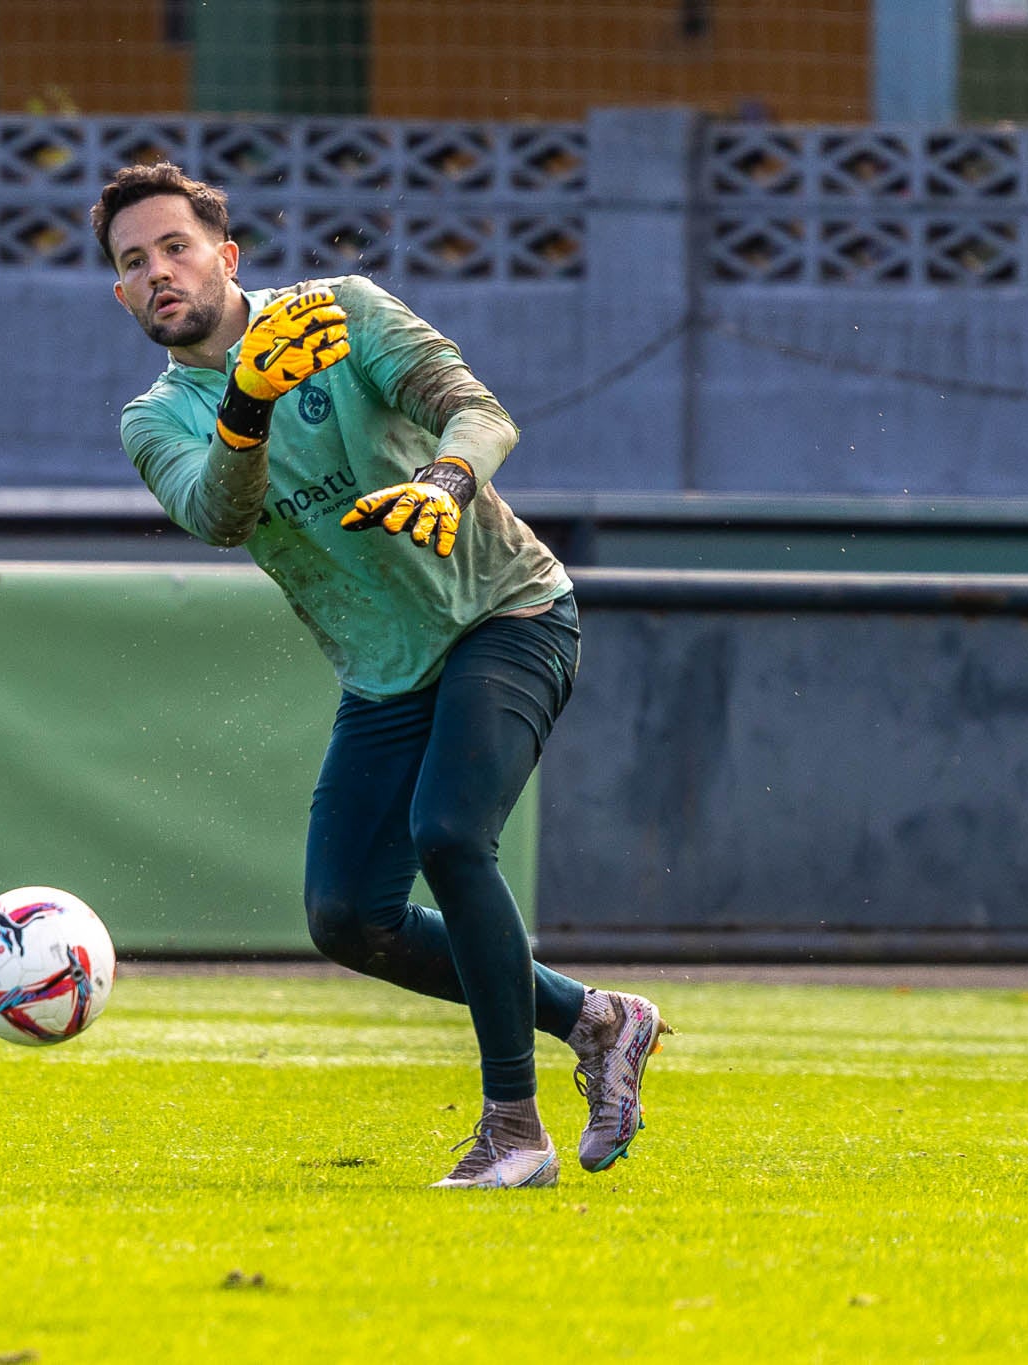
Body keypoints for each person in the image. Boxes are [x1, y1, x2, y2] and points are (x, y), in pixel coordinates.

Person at [92, 162, 670, 1189]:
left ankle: (511, 1130)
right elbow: (221, 515)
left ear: (226, 257)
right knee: (345, 916)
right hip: (385, 674)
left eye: (174, 246)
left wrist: (442, 484)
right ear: (121, 294)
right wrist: (245, 404)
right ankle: (598, 1020)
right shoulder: (154, 419)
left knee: (448, 833)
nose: (157, 272)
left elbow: (478, 412)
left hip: (506, 611)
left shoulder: (343, 314)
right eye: (132, 263)